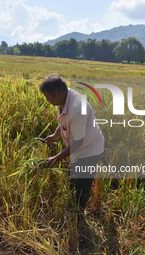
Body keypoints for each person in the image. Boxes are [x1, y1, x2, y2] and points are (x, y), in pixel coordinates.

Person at [40, 74, 105, 249]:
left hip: (89, 149)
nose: (47, 100)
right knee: (73, 178)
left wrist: (55, 158)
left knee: (82, 183)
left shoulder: (77, 106)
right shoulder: (62, 100)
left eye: (48, 97)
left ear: (58, 92)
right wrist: (55, 135)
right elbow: (63, 120)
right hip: (77, 147)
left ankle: (79, 217)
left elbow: (78, 143)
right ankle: (75, 205)